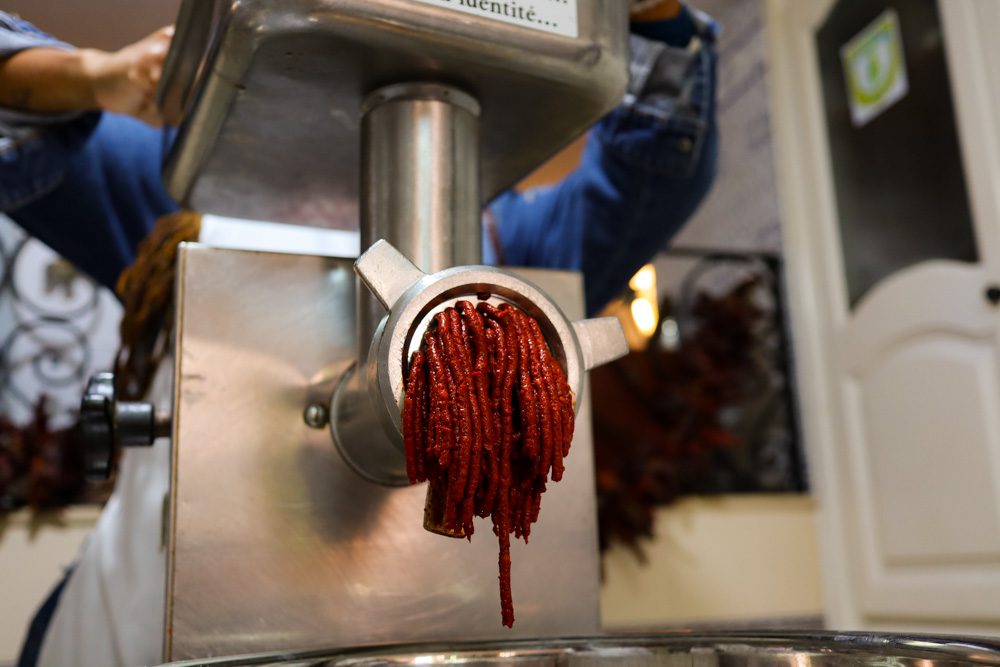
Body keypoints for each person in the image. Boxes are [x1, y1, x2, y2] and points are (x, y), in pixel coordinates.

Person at [0, 2, 719, 665]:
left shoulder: (504, 249)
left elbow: (652, 166)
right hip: (131, 626)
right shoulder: (173, 201)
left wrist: (653, 16)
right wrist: (96, 75)